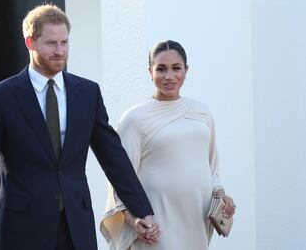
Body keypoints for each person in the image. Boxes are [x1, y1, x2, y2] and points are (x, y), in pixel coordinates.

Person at [0, 4, 158, 250]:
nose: (60, 51)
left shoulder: (88, 93)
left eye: (65, 43)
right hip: (22, 230)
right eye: (51, 43)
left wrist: (142, 210)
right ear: (30, 43)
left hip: (76, 228)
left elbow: (114, 157)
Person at [101, 40, 236, 250]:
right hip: (157, 223)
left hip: (196, 218)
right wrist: (134, 220)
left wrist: (221, 193)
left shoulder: (202, 112)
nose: (169, 76)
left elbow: (212, 165)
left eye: (176, 68)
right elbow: (121, 178)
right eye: (161, 69)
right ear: (150, 71)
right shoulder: (134, 118)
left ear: (186, 70)